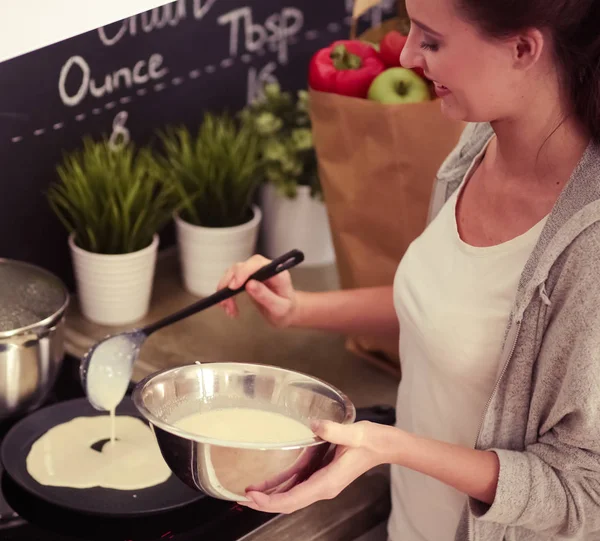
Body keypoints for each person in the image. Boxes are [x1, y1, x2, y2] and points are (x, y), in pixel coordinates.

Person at [217, 0, 600, 539]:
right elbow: (443, 310)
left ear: (522, 48)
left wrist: (386, 445)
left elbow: (585, 492)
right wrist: (298, 308)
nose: (407, 55)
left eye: (433, 40)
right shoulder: (476, 144)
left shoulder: (588, 247)